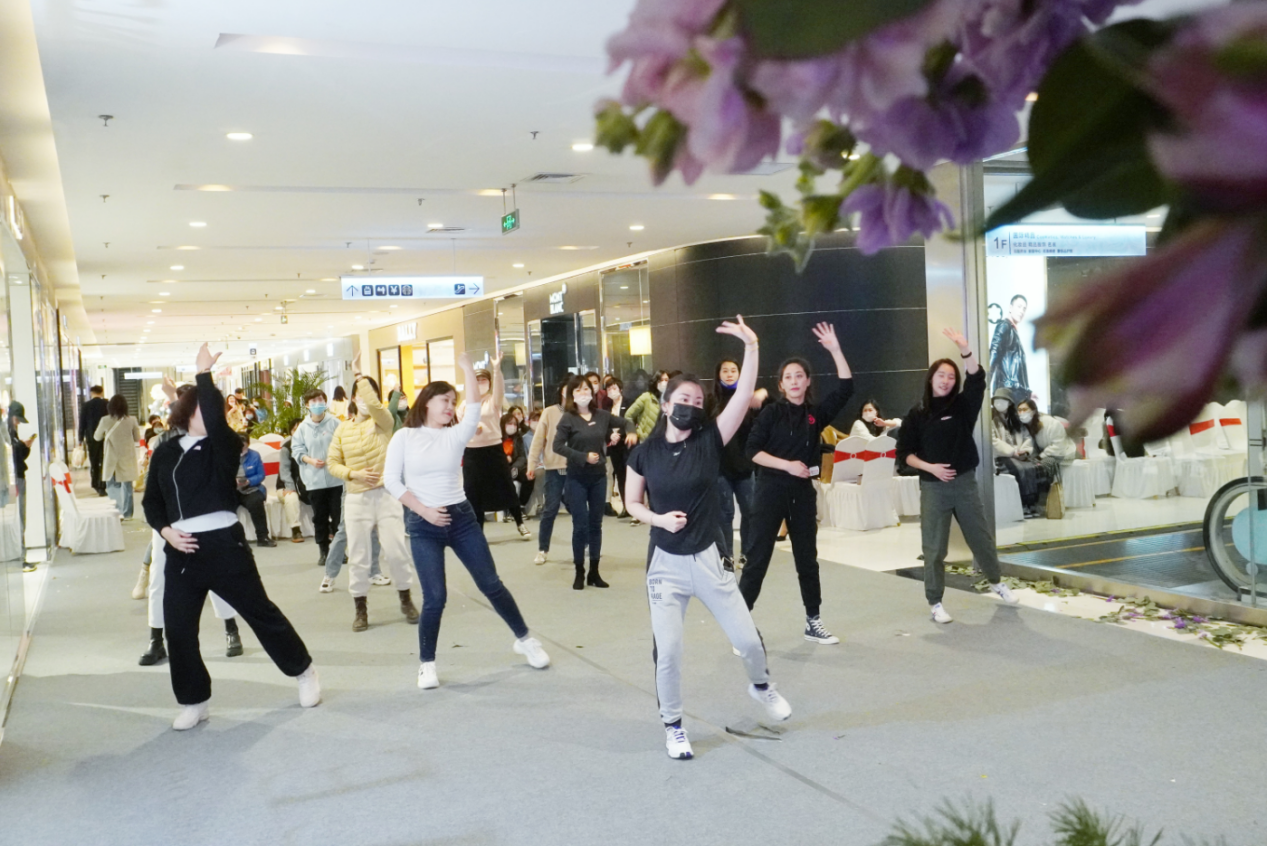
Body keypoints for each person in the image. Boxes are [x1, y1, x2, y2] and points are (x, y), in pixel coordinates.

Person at [624, 316, 791, 760]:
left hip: (708, 560)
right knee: (668, 652)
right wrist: (658, 520)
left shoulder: (709, 439)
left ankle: (761, 686)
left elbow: (743, 395)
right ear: (665, 404)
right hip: (665, 565)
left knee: (748, 641)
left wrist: (751, 346)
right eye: (683, 399)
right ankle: (673, 726)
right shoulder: (644, 453)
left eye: (698, 401)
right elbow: (631, 502)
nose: (691, 406)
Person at [142, 343, 320, 730]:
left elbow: (216, 417)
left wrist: (203, 373)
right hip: (182, 551)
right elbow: (152, 503)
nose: (211, 415)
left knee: (260, 613)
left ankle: (303, 670)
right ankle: (194, 700)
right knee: (179, 629)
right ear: (185, 414)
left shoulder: (221, 446)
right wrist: (167, 532)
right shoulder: (166, 453)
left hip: (225, 546)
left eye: (213, 409)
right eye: (202, 409)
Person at [383, 351, 551, 690]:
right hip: (423, 525)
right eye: (444, 401)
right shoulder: (405, 437)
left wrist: (466, 369)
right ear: (426, 402)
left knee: (491, 584)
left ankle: (525, 639)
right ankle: (427, 663)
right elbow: (391, 481)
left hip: (460, 519)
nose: (450, 407)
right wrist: (424, 510)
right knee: (435, 597)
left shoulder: (456, 434)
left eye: (452, 401)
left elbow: (474, 406)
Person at [896, 328, 1021, 623]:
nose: (946, 380)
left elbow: (977, 379)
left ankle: (996, 582)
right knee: (934, 547)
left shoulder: (963, 406)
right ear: (931, 378)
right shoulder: (917, 414)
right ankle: (935, 601)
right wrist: (931, 468)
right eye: (941, 375)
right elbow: (904, 454)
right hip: (934, 487)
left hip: (964, 483)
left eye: (951, 377)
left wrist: (965, 349)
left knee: (980, 538)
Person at [739, 323, 853, 645]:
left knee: (807, 559)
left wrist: (834, 349)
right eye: (788, 377)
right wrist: (787, 465)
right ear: (781, 384)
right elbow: (752, 451)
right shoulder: (771, 413)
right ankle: (740, 626)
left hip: (802, 494)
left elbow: (846, 388)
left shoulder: (816, 415)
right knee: (757, 559)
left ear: (807, 381)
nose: (793, 381)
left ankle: (813, 621)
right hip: (770, 491)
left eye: (799, 376)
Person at [137, 380, 245, 666]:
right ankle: (156, 638)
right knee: (160, 579)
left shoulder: (214, 440)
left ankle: (231, 628)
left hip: (207, 522)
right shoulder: (164, 442)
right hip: (169, 524)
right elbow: (152, 491)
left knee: (218, 575)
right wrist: (164, 527)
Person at [325, 361, 419, 633]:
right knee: (359, 556)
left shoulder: (384, 422)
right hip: (356, 499)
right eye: (360, 395)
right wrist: (353, 474)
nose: (365, 401)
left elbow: (376, 406)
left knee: (396, 551)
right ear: (353, 399)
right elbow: (332, 463)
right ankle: (360, 607)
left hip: (386, 495)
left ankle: (405, 598)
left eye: (369, 396)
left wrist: (360, 376)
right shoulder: (342, 429)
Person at [553, 374, 634, 590]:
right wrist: (583, 457)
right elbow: (557, 446)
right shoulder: (568, 418)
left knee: (596, 525)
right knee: (580, 526)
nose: (583, 393)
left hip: (598, 477)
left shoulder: (602, 415)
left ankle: (594, 572)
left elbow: (627, 421)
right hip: (577, 478)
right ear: (572, 394)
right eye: (578, 390)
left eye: (587, 389)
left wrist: (631, 432)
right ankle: (579, 571)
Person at [459, 360, 530, 538]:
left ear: (489, 383)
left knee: (506, 486)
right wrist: (471, 429)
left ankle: (520, 522)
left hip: (493, 449)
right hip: (472, 451)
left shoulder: (493, 400)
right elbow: (460, 427)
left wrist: (497, 369)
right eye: (477, 380)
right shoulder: (464, 404)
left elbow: (499, 390)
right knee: (473, 492)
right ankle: (478, 531)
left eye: (484, 380)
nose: (480, 383)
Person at [708, 358, 767, 568]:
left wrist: (763, 393)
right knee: (725, 513)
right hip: (719, 467)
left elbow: (769, 408)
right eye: (725, 370)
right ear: (718, 374)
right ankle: (726, 556)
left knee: (750, 511)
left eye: (734, 370)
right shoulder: (711, 401)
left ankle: (746, 554)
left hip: (745, 465)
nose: (730, 374)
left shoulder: (747, 398)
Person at [291, 388, 344, 568]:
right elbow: (297, 450)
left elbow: (344, 445)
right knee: (320, 517)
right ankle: (323, 550)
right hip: (314, 481)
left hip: (336, 479)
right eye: (313, 401)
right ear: (307, 405)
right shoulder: (302, 428)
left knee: (338, 517)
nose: (317, 404)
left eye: (320, 400)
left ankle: (339, 550)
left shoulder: (335, 423)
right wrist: (310, 460)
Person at [625, 370, 676, 525]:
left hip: (666, 444)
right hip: (647, 443)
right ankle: (639, 511)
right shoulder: (647, 397)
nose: (665, 382)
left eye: (667, 379)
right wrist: (633, 432)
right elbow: (629, 415)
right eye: (661, 380)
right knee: (645, 479)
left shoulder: (671, 399)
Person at [527, 386, 569, 563]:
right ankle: (542, 549)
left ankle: (587, 543)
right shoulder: (550, 412)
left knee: (578, 509)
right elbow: (538, 440)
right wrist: (531, 464)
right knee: (550, 509)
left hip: (576, 468)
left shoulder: (581, 412)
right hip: (554, 468)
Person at [990, 388, 1042, 518]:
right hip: (1001, 456)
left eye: (1003, 400)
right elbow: (993, 441)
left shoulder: (1015, 420)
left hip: (1018, 454)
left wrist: (1025, 450)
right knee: (1018, 469)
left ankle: (1031, 503)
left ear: (1009, 403)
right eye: (996, 400)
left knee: (1030, 468)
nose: (999, 403)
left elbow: (1027, 437)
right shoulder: (989, 419)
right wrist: (1012, 452)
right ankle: (1023, 504)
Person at [1017, 398, 1076, 510]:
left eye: (1025, 409)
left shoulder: (1051, 423)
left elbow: (1058, 446)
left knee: (1043, 467)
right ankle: (1028, 502)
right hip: (1041, 453)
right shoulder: (1025, 425)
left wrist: (1040, 457)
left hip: (1061, 453)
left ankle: (1042, 502)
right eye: (1019, 410)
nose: (1021, 412)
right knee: (1026, 468)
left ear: (1033, 410)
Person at [94, 394, 142, 519]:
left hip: (112, 457)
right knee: (127, 486)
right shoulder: (132, 420)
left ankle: (117, 511)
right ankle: (127, 514)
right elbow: (137, 438)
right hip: (127, 457)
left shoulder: (105, 420)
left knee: (112, 485)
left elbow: (97, 437)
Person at [989, 294, 1032, 406]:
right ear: (1010, 307)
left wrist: (1027, 391)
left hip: (1015, 391)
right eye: (1019, 306)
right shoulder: (1004, 326)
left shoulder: (1013, 331)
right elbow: (993, 353)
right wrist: (985, 385)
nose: (1021, 311)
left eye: (1024, 308)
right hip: (1009, 391)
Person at [236, 435, 277, 547]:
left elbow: (261, 475)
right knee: (224, 504)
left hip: (251, 488)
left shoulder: (254, 455)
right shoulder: (226, 455)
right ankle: (230, 539)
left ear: (248, 445)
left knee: (256, 502)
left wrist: (249, 481)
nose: (241, 449)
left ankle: (262, 537)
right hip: (232, 489)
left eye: (244, 446)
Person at [277, 419, 308, 543]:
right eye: (295, 429)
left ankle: (328, 525)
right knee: (291, 497)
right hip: (287, 485)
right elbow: (285, 472)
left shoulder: (312, 444)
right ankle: (296, 530)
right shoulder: (286, 448)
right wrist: (291, 488)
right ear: (291, 432)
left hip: (307, 484)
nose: (299, 432)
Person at [605, 379, 630, 518]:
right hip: (613, 445)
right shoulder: (606, 406)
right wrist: (611, 435)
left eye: (613, 388)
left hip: (626, 443)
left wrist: (619, 435)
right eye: (608, 389)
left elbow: (630, 421)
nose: (611, 391)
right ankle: (626, 507)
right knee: (620, 475)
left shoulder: (628, 403)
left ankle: (634, 505)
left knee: (629, 474)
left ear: (620, 389)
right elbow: (604, 424)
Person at [9, 403, 33, 537]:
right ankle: (19, 539)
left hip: (17, 474)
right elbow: (15, 455)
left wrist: (25, 446)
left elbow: (18, 455)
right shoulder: (9, 433)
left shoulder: (12, 433)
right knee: (19, 510)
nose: (18, 423)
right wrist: (23, 445)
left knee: (20, 510)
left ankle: (20, 539)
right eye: (17, 419)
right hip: (16, 476)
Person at [80, 385, 109, 496]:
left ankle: (95, 483)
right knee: (104, 460)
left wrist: (80, 438)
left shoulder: (86, 405)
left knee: (94, 460)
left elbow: (82, 422)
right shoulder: (107, 404)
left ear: (91, 393)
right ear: (102, 392)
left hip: (91, 437)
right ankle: (103, 484)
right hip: (105, 436)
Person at [501, 411, 532, 515]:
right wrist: (504, 459)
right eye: (509, 423)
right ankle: (508, 509)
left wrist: (515, 467)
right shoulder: (497, 438)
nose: (512, 426)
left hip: (515, 467)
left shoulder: (518, 438)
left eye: (514, 424)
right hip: (501, 468)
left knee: (529, 477)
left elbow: (522, 456)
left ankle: (522, 505)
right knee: (507, 481)